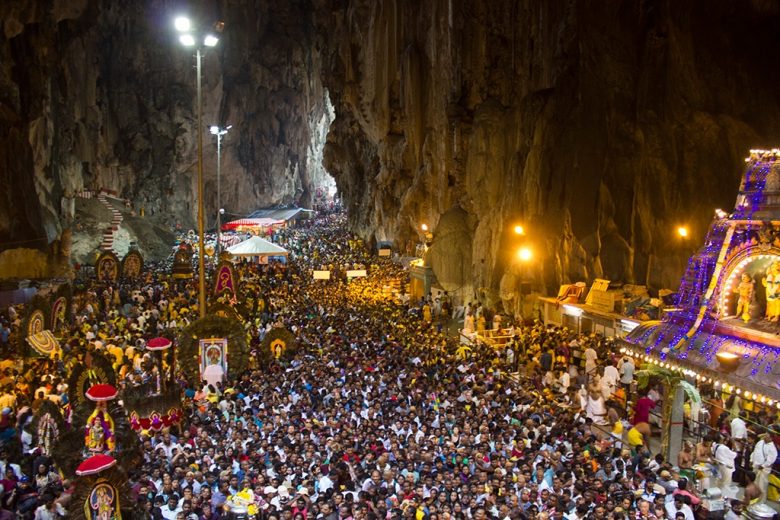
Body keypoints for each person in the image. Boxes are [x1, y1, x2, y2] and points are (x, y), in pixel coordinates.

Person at [750, 432, 778, 503]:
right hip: (755, 466)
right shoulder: (760, 442)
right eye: (765, 435)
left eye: (767, 436)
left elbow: (771, 459)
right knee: (754, 484)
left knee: (761, 486)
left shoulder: (772, 448)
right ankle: (752, 499)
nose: (765, 437)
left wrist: (763, 466)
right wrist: (751, 460)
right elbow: (755, 451)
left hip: (763, 470)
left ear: (771, 438)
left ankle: (760, 502)